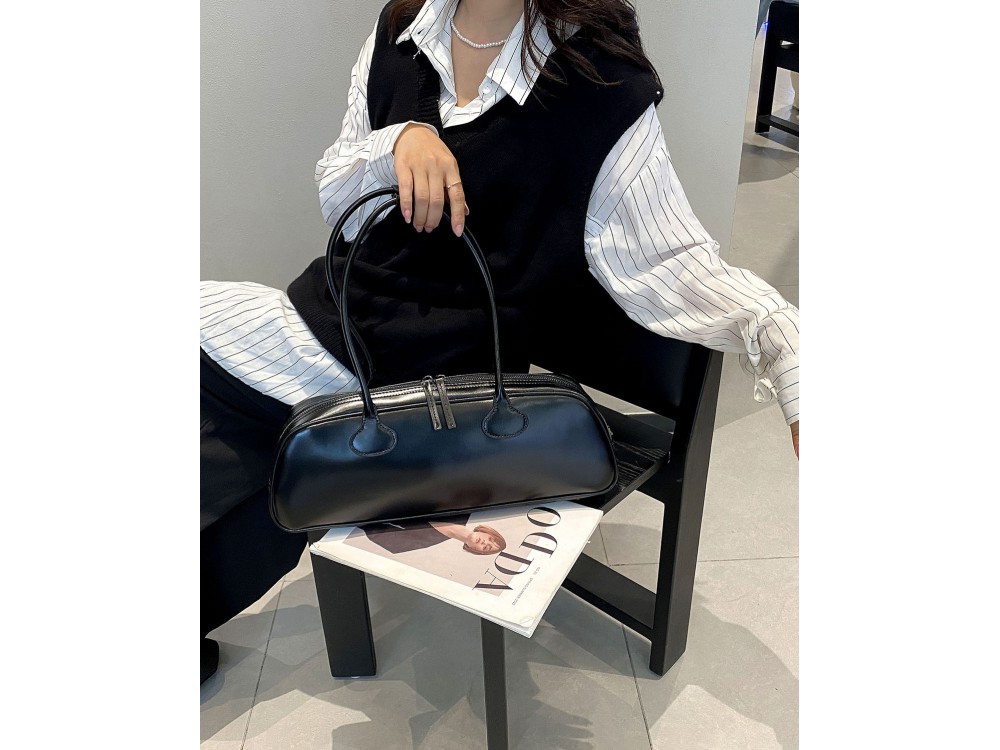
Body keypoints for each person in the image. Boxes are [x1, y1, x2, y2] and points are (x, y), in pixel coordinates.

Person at [200, 0, 800, 683]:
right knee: (241, 444)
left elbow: (671, 260)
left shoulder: (598, 82)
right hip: (323, 325)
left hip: (427, 389)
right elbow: (340, 199)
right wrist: (396, 143)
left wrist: (787, 344)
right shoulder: (401, 30)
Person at [361, 514, 507, 555]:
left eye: (486, 548)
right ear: (484, 530)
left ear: (474, 550)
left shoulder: (425, 542)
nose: (485, 542)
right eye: (490, 539)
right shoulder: (465, 509)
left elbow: (377, 533)